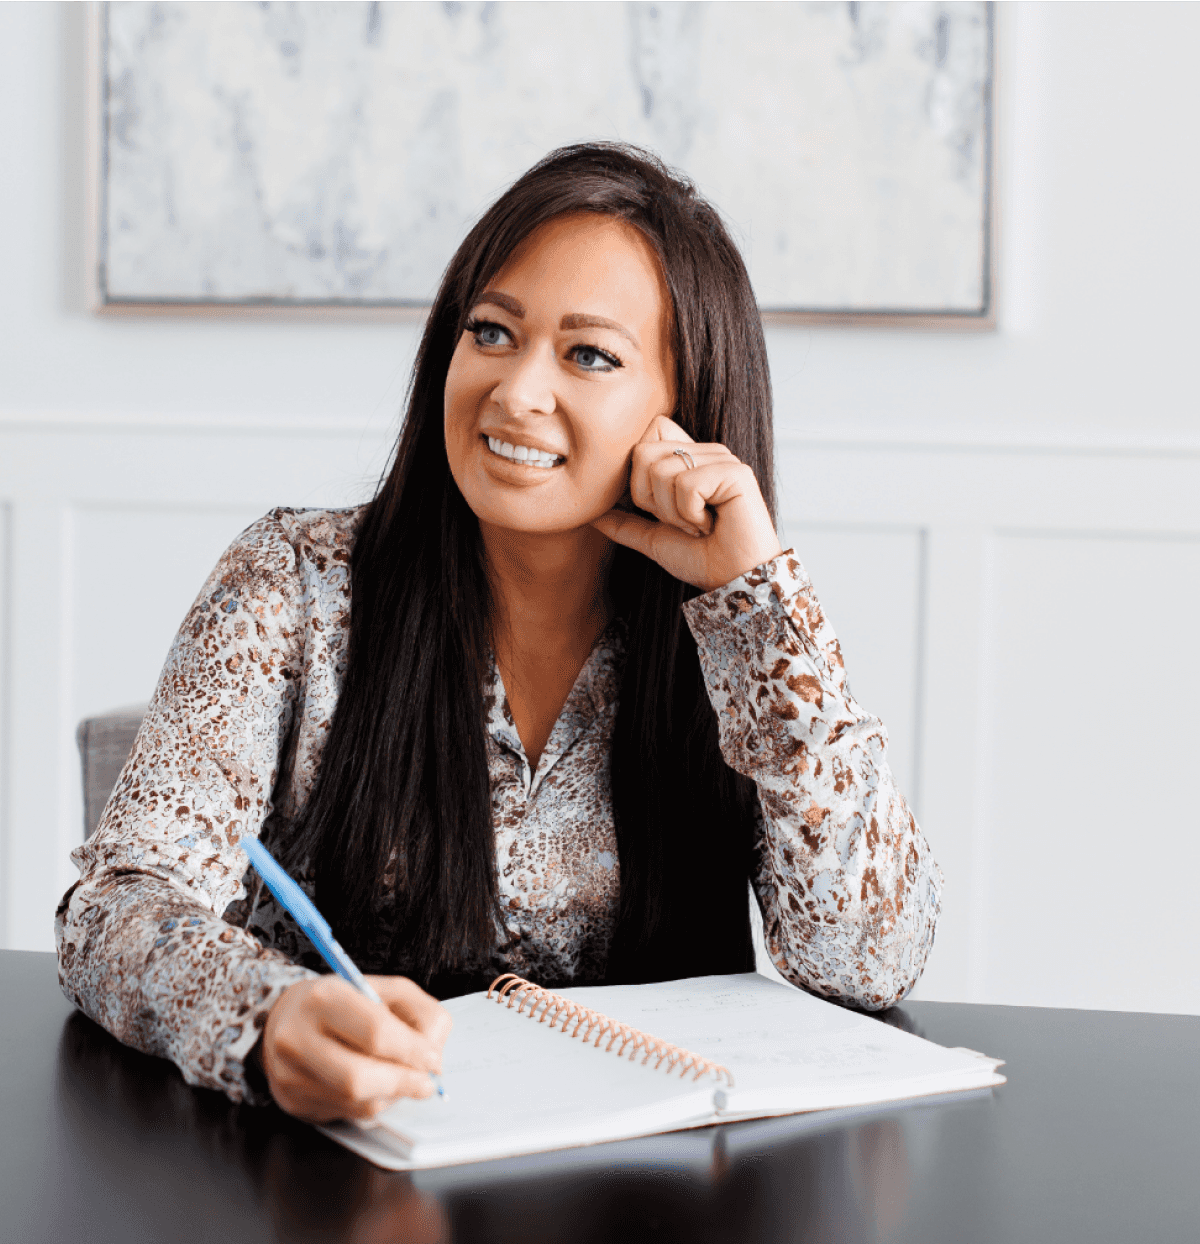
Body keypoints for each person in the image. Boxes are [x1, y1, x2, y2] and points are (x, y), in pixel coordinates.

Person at [56, 143, 940, 1126]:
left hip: (653, 1177)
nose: (516, 391)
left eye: (589, 355)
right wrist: (268, 1017)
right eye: (492, 332)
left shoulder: (734, 630)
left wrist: (759, 606)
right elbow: (115, 907)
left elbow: (870, 959)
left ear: (682, 412)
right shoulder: (293, 582)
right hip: (352, 1160)